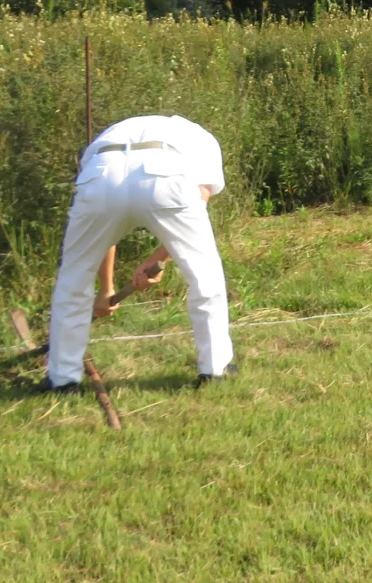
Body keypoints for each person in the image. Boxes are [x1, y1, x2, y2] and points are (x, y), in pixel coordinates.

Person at [44, 113, 235, 391]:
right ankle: (215, 369)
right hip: (165, 175)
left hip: (101, 171)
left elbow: (105, 235)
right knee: (204, 274)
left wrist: (106, 289)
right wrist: (159, 259)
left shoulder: (113, 132)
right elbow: (199, 201)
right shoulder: (201, 139)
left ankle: (62, 379)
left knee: (73, 278)